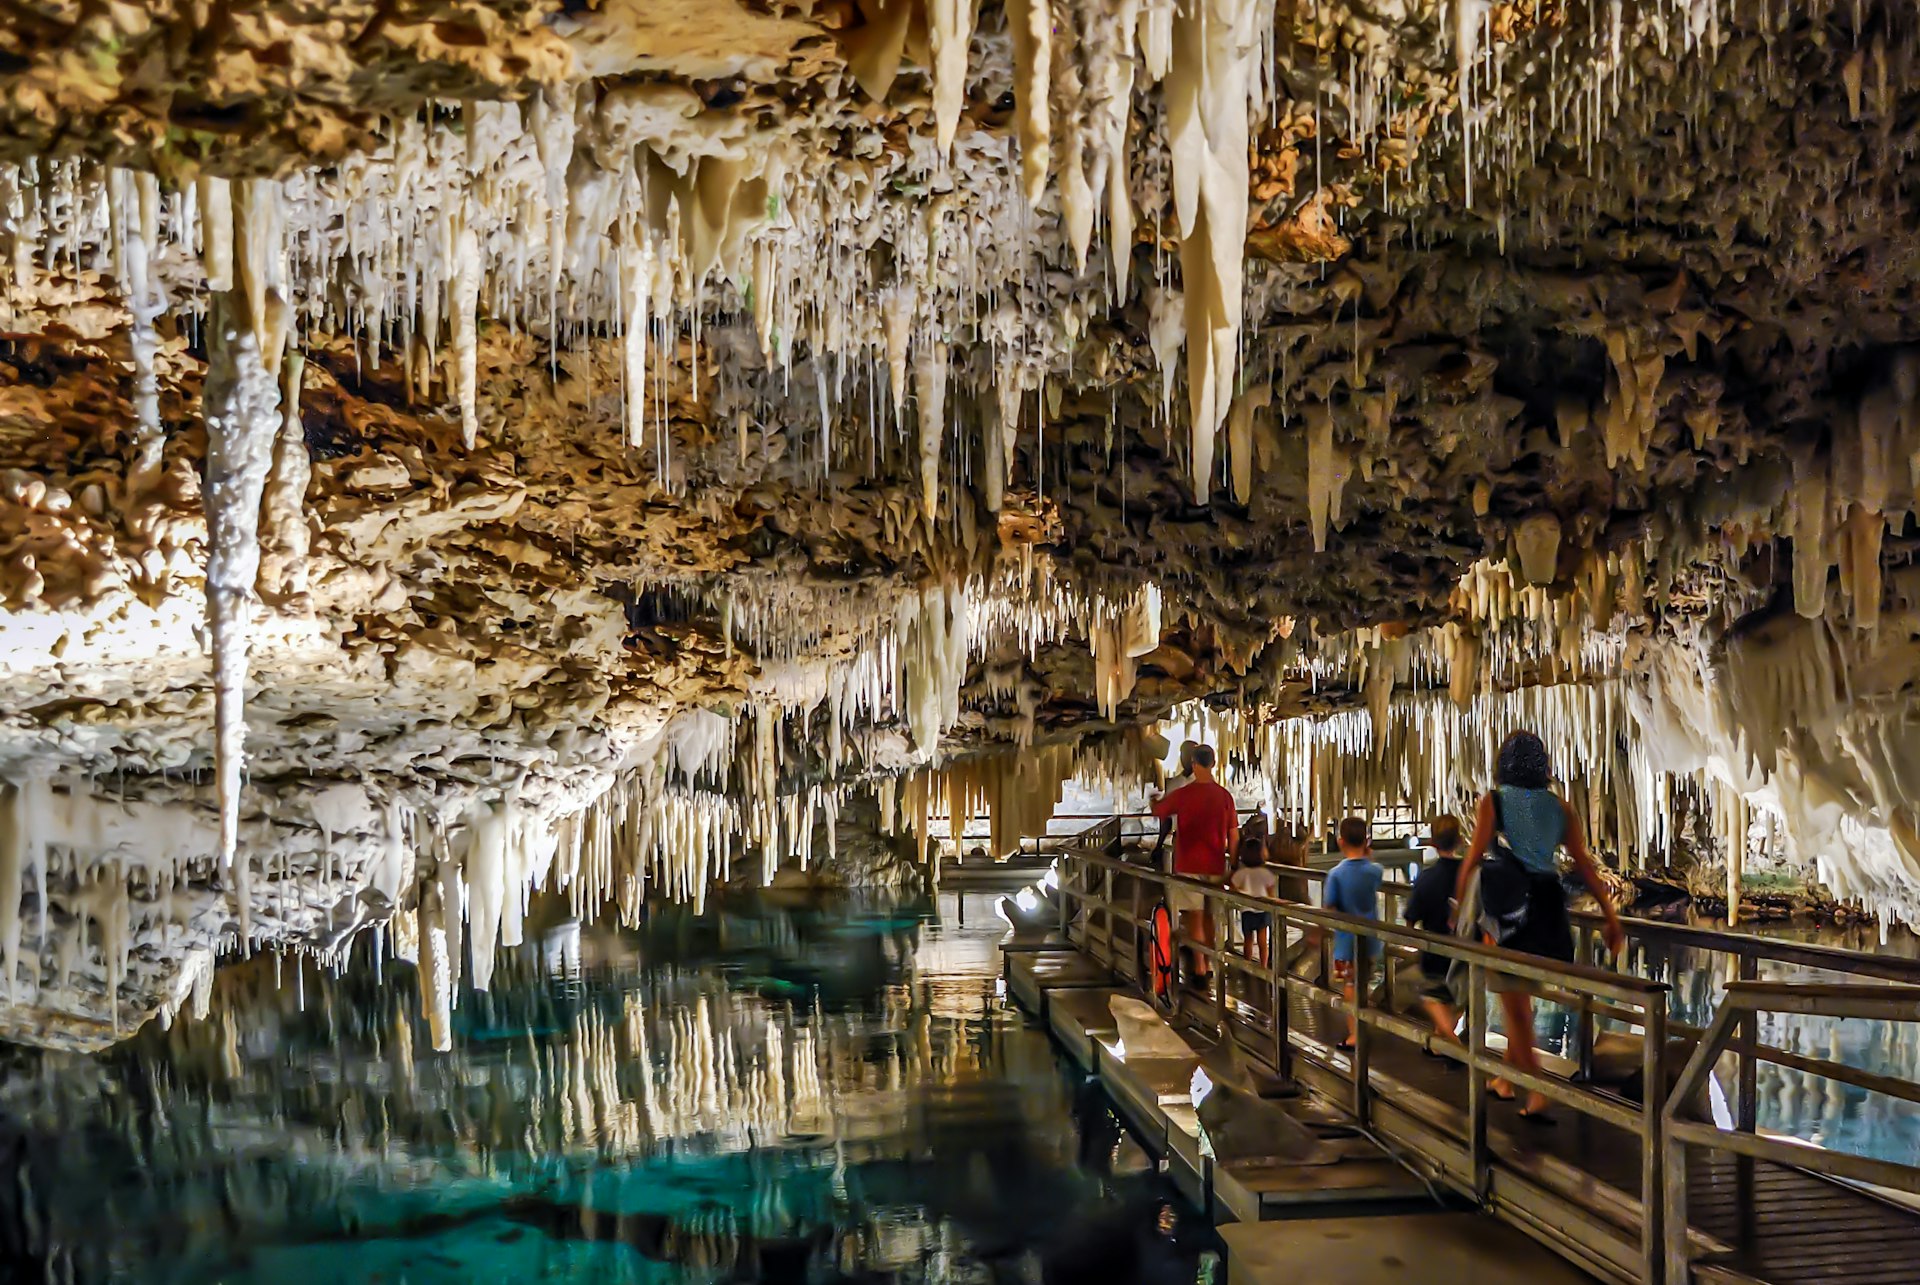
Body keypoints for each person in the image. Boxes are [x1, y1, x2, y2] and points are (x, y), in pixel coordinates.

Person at [1455, 729, 1627, 1122]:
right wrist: (1611, 916)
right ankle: (1506, 1081)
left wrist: (1458, 907)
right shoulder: (1561, 808)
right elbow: (1584, 865)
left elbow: (1474, 857)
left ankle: (1537, 1093)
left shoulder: (1494, 802)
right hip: (1550, 911)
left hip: (1511, 915)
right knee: (1521, 1000)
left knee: (1514, 1007)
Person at [1149, 744, 1238, 983]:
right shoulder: (1224, 796)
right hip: (1216, 863)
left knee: (1196, 916)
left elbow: (1159, 813)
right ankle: (1211, 961)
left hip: (1189, 862)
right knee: (1212, 915)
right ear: (1214, 763)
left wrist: (1153, 801)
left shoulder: (1184, 794)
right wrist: (1236, 864)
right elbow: (1234, 834)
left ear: (1193, 763)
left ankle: (1200, 968)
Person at [1402, 815, 1465, 1052]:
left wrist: (1413, 940)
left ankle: (1450, 1042)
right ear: (1459, 841)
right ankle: (1443, 1040)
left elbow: (1410, 917)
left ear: (1433, 844)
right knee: (1458, 998)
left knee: (1430, 995)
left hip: (1434, 954)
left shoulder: (1427, 878)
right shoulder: (1471, 875)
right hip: (1466, 952)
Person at [1321, 817, 1383, 1051]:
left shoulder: (1335, 875)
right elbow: (1373, 870)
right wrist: (1368, 854)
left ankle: (1355, 1034)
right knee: (1363, 983)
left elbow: (1330, 905)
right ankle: (1363, 1026)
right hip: (1371, 939)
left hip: (1347, 942)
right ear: (1367, 840)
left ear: (1340, 841)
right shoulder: (1375, 871)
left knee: (1349, 985)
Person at [1149, 740, 1200, 869]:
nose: (1187, 758)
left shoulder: (1204, 783)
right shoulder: (1173, 784)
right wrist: (1159, 845)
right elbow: (1167, 819)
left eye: (1191, 754)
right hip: (1180, 839)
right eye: (1184, 754)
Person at [1229, 836, 1278, 966]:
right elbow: (1271, 892)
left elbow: (1232, 886)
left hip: (1247, 910)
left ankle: (1247, 964)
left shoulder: (1241, 873)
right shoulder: (1265, 873)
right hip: (1263, 910)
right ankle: (1263, 966)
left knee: (1248, 940)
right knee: (1262, 942)